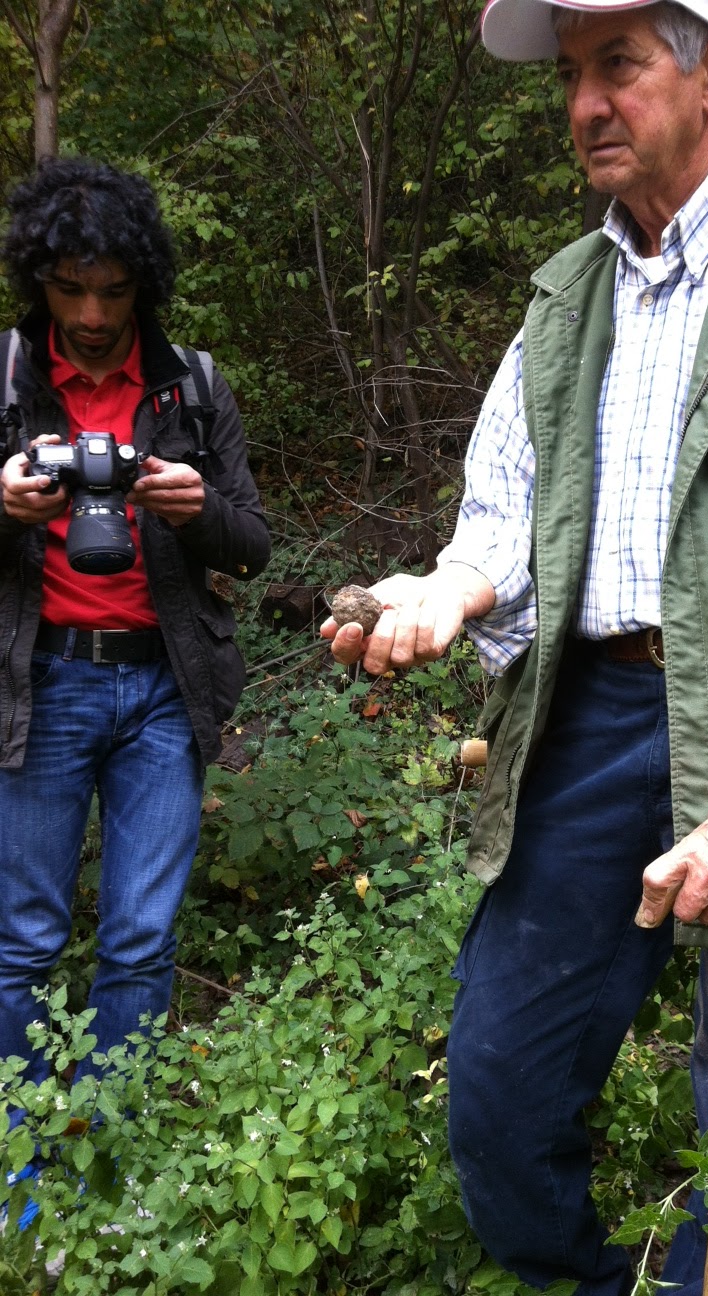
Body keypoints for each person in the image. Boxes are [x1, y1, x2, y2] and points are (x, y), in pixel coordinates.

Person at [322, 0, 708, 1291]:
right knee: (498, 1091)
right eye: (570, 74)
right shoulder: (564, 302)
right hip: (599, 717)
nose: (584, 105)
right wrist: (444, 593)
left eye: (617, 63)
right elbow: (502, 524)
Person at [0, 157, 271, 1097]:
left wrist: (198, 510)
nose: (90, 314)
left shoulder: (190, 385)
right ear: (37, 277)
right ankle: (23, 1151)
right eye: (69, 288)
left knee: (142, 939)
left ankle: (111, 1141)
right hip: (38, 687)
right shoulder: (6, 378)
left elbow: (253, 547)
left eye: (112, 291)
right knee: (22, 939)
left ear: (142, 283)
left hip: (165, 688)